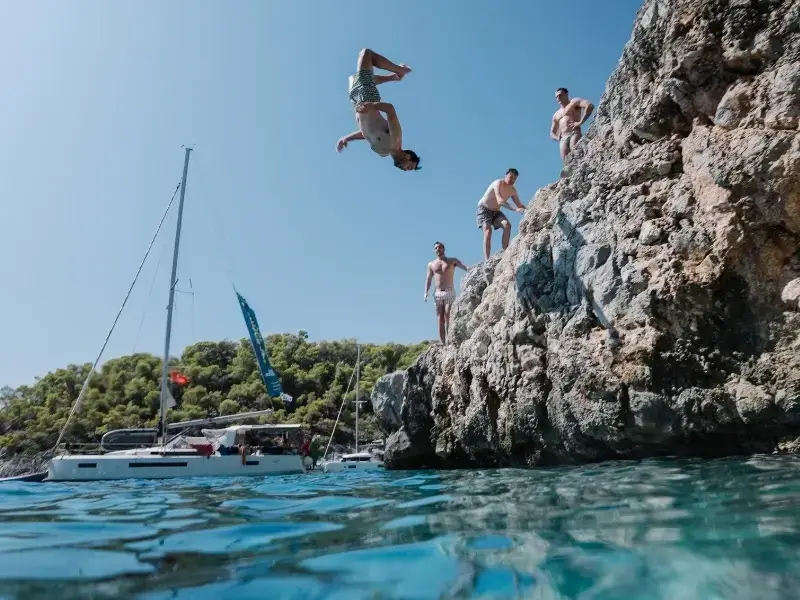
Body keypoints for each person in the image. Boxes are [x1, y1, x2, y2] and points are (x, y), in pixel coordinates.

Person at [336, 48, 421, 171]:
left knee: (354, 78)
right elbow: (390, 109)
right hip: (367, 99)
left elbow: (367, 132)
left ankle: (393, 77)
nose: (406, 169)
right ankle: (399, 71)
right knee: (366, 54)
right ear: (408, 156)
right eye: (410, 166)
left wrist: (347, 138)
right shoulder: (396, 140)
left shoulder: (382, 152)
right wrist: (372, 105)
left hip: (356, 103)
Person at [475, 169, 526, 261]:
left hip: (496, 212)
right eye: (511, 177)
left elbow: (520, 205)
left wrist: (529, 209)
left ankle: (505, 252)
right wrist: (515, 209)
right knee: (488, 231)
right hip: (484, 209)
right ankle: (487, 260)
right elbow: (500, 200)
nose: (512, 180)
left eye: (515, 179)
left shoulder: (513, 190)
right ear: (505, 175)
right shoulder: (498, 183)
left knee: (507, 225)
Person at [424, 241, 468, 344]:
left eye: (439, 247)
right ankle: (443, 341)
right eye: (436, 248)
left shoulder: (452, 261)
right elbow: (428, 278)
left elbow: (464, 266)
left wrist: (471, 269)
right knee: (440, 317)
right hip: (438, 293)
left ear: (444, 249)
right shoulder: (431, 264)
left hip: (449, 291)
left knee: (448, 313)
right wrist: (426, 292)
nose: (438, 249)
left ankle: (449, 337)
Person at [550, 87, 594, 162]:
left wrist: (580, 122)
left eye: (560, 95)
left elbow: (589, 105)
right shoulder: (556, 114)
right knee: (566, 161)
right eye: (556, 97)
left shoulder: (574, 102)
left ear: (566, 94)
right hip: (563, 138)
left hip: (574, 133)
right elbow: (551, 133)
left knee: (576, 154)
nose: (558, 98)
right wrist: (558, 137)